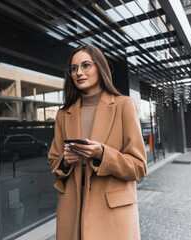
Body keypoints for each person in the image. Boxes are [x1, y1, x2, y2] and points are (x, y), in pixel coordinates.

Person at [48, 45, 147, 240]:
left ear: (100, 68)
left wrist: (102, 154)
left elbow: (139, 167)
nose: (79, 73)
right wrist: (65, 160)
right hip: (73, 210)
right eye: (74, 68)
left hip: (112, 213)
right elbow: (54, 162)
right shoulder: (63, 114)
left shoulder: (124, 105)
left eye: (86, 65)